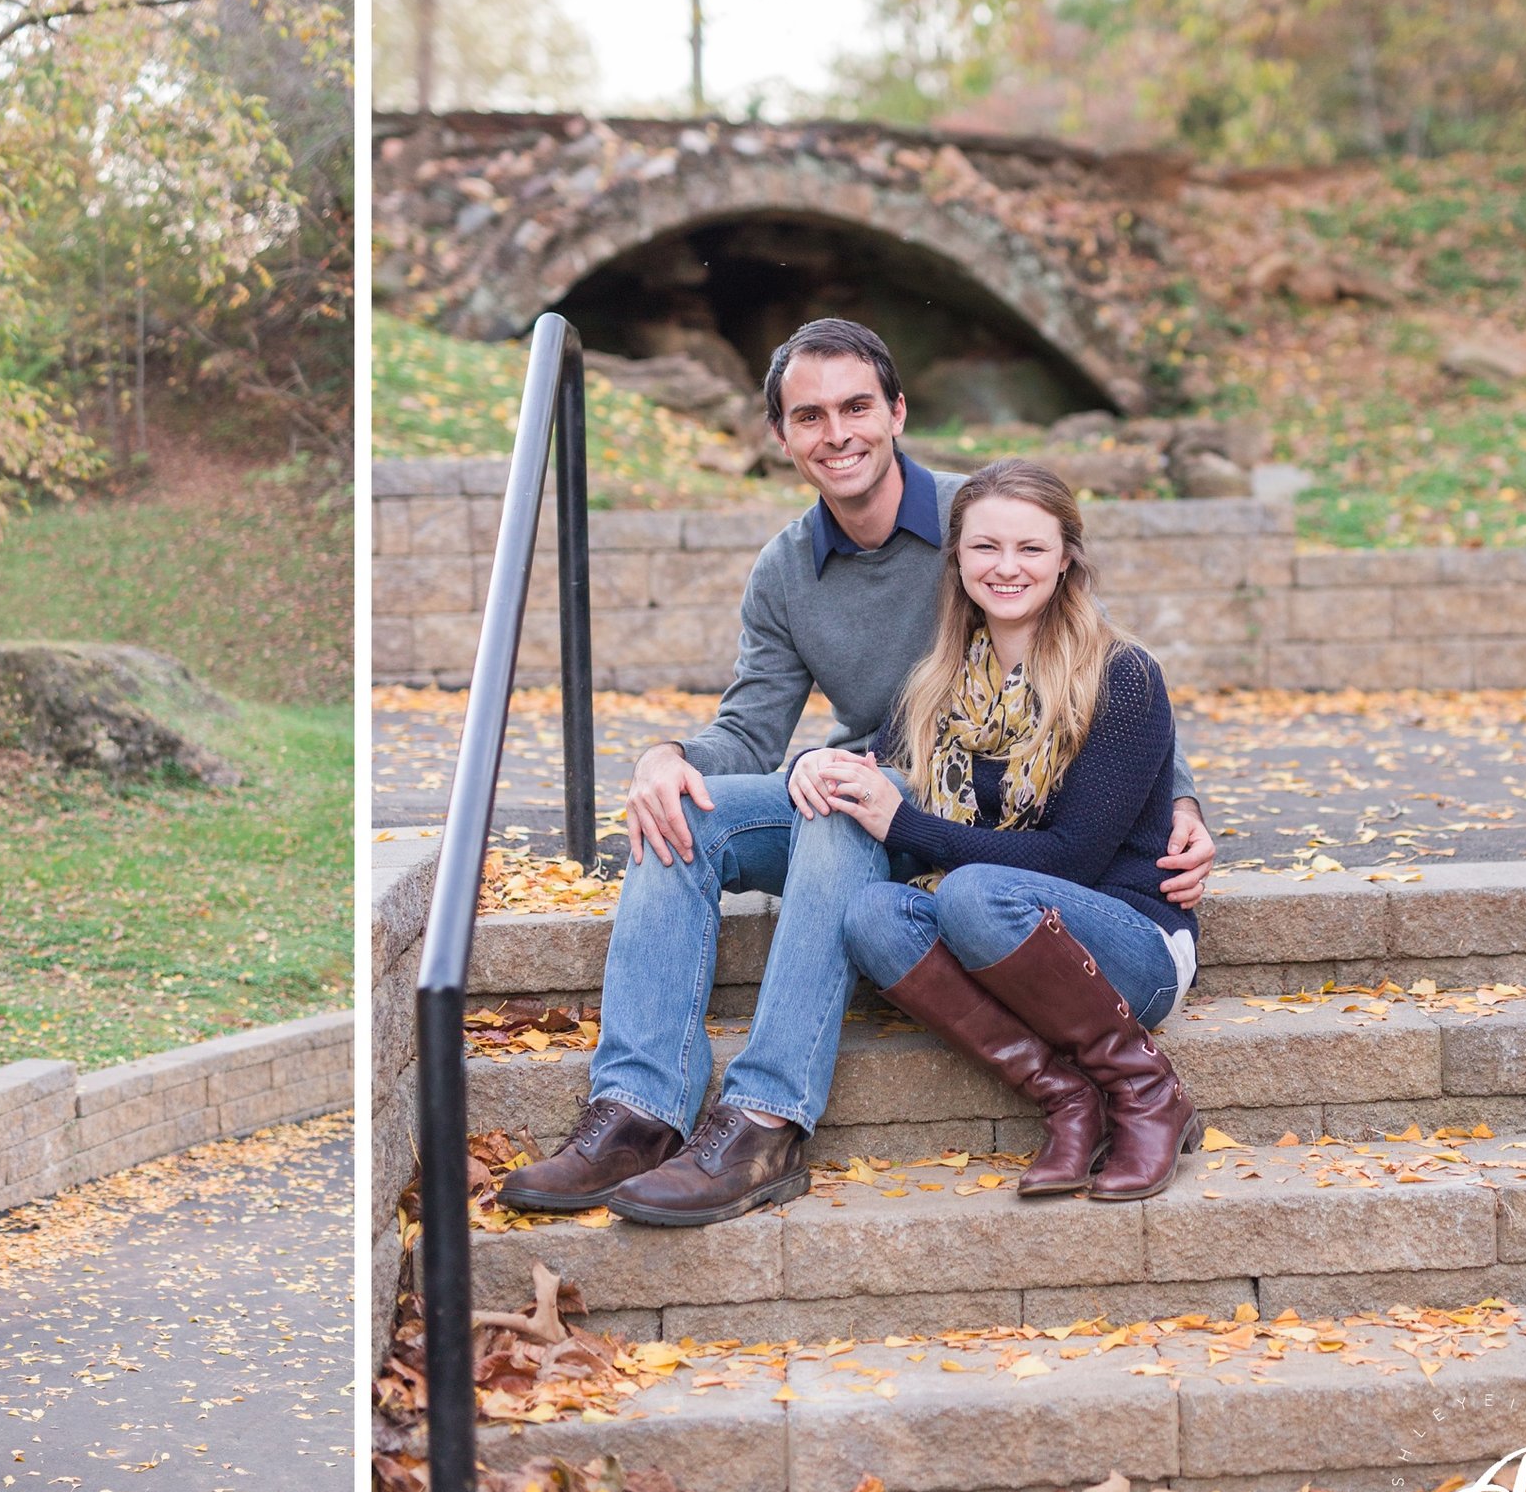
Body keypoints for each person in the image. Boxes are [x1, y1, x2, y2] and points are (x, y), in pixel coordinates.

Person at [497, 317, 1216, 1228]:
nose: (836, 433)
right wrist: (667, 759)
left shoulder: (985, 521)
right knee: (689, 812)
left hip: (977, 817)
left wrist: (1182, 798)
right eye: (810, 415)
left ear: (897, 412)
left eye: (855, 407)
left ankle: (765, 1118)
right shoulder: (787, 570)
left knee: (843, 803)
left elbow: (1092, 666)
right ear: (783, 436)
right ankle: (637, 1110)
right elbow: (751, 725)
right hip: (894, 781)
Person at [827, 460, 1199, 1200]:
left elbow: (1073, 859)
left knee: (971, 894)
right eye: (985, 547)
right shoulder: (941, 683)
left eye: (1031, 548)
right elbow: (864, 745)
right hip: (1005, 932)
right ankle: (1070, 1100)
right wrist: (815, 765)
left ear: (1066, 558)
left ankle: (1148, 1092)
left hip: (1132, 941)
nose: (1006, 568)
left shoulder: (1122, 675)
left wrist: (906, 825)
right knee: (873, 913)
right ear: (957, 559)